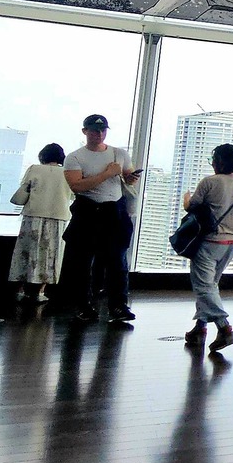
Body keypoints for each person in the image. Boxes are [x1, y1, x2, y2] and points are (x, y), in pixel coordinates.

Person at [60, 113, 140, 324]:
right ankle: (83, 305)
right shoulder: (75, 157)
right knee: (82, 262)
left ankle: (118, 305)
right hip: (88, 211)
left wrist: (130, 177)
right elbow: (77, 186)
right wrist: (106, 174)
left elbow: (128, 178)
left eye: (103, 130)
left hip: (114, 211)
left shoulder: (119, 153)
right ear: (85, 131)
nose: (99, 134)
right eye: (95, 130)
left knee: (117, 261)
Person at [180, 143, 233, 354]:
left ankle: (224, 328)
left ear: (218, 162)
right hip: (232, 242)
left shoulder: (209, 182)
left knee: (204, 287)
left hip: (210, 241)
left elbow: (192, 206)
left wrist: (186, 199)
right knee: (211, 285)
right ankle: (200, 328)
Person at [8, 143, 73, 304]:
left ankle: (21, 289)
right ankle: (40, 291)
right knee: (50, 256)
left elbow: (24, 190)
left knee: (27, 252)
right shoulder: (67, 173)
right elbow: (72, 195)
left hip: (33, 215)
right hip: (58, 217)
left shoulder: (34, 169)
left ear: (42, 156)